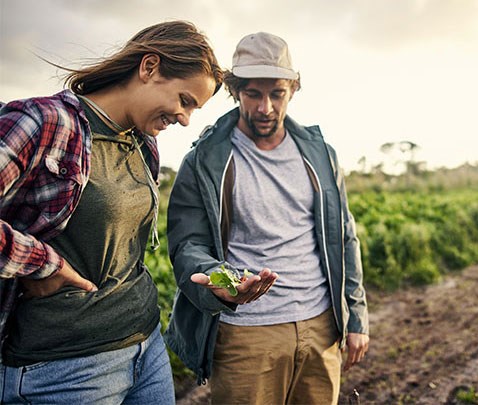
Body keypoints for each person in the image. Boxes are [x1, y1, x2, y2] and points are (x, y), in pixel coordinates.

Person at [0, 21, 223, 404]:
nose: (186, 119)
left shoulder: (144, 145)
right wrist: (41, 262)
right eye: (185, 100)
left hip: (145, 347)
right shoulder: (44, 122)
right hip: (61, 370)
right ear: (149, 67)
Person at [164, 32, 370, 404]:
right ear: (234, 91)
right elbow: (187, 245)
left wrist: (354, 318)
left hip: (321, 326)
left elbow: (344, 236)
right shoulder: (204, 160)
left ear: (292, 89)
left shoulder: (320, 153)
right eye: (253, 94)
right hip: (245, 334)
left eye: (277, 93)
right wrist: (215, 280)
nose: (265, 108)